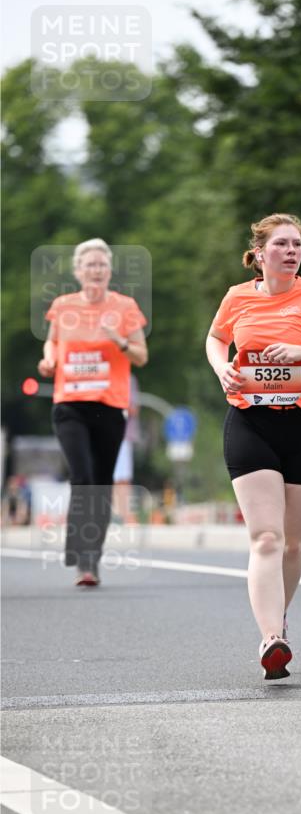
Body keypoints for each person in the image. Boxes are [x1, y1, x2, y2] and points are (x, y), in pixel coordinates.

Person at [206, 213, 301, 680]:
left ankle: (279, 618)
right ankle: (272, 639)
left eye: (298, 245)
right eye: (282, 244)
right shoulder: (237, 298)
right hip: (250, 423)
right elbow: (215, 339)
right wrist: (222, 368)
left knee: (292, 544)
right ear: (259, 253)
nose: (292, 251)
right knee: (266, 538)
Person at [37, 239, 148, 586]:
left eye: (102, 264)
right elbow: (52, 341)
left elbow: (141, 357)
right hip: (69, 404)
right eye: (90, 265)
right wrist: (49, 360)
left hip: (109, 407)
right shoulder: (63, 306)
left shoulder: (125, 307)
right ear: (78, 271)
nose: (96, 270)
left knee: (100, 482)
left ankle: (91, 562)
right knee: (83, 475)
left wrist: (120, 341)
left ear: (110, 270)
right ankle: (80, 553)